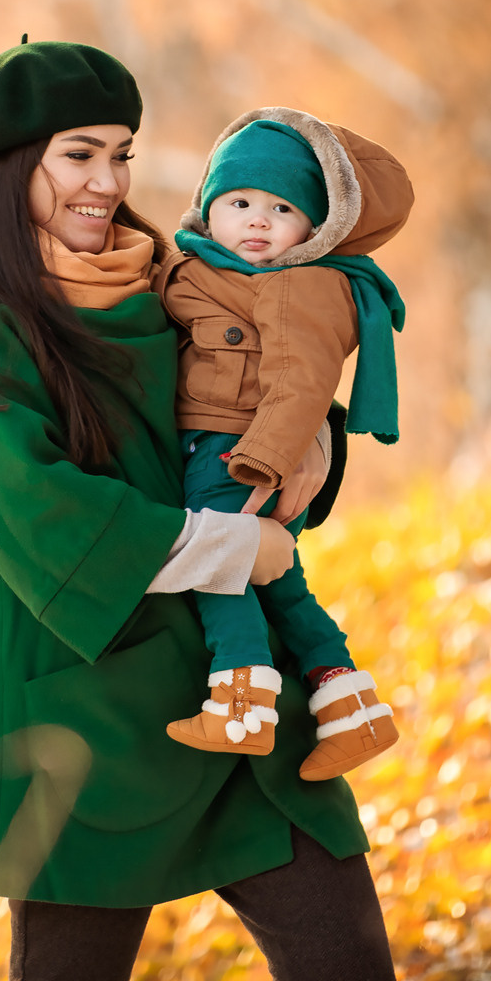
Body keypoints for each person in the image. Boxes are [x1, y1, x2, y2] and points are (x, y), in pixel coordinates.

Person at [0, 40, 400, 981]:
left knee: (346, 964)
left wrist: (313, 455)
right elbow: (46, 515)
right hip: (77, 708)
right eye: (80, 153)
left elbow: (234, 414)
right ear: (9, 166)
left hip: (224, 683)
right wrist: (241, 545)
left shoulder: (171, 283)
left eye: (122, 153)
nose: (107, 182)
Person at [156, 110, 412, 783]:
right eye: (239, 203)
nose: (258, 222)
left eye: (281, 208)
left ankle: (240, 705)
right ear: (210, 209)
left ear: (315, 228)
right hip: (225, 448)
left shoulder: (302, 283)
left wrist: (263, 461)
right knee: (283, 586)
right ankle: (352, 707)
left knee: (219, 569)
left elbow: (302, 380)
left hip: (239, 454)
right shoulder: (206, 265)